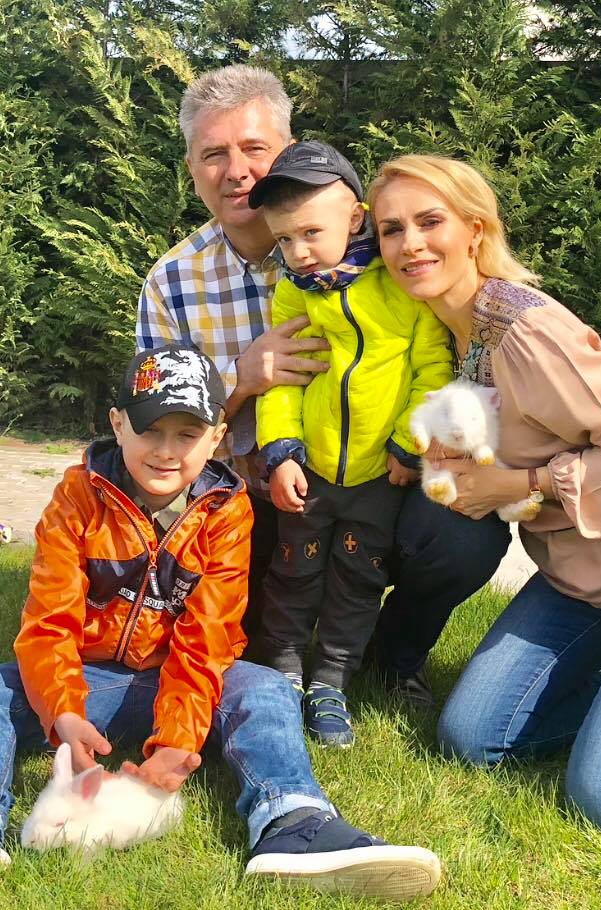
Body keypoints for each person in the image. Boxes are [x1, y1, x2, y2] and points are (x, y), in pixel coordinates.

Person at [0, 344, 441, 898]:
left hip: (187, 687)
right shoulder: (76, 497)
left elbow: (207, 640)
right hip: (90, 680)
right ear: (117, 424)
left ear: (217, 438)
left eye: (187, 434)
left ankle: (293, 822)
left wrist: (176, 742)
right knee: (3, 686)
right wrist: (64, 714)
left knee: (264, 687)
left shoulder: (227, 511)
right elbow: (49, 625)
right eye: (149, 430)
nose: (166, 452)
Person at [136, 64, 511, 705]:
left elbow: (462, 332)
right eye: (213, 154)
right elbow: (151, 427)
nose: (237, 171)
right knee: (241, 632)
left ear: (289, 152)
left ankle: (394, 652)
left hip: (376, 474)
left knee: (460, 534)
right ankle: (278, 647)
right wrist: (240, 383)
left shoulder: (381, 256)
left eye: (254, 148)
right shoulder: (172, 282)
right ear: (192, 169)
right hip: (248, 495)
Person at [367, 153, 601, 833]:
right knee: (473, 738)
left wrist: (524, 483)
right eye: (391, 229)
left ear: (475, 230)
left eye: (430, 221)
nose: (410, 244)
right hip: (579, 578)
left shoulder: (526, 328)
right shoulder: (452, 333)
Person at [247, 140, 452, 745]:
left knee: (356, 581)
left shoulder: (399, 288)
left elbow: (433, 370)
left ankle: (332, 678)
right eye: (284, 240)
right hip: (309, 471)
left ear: (356, 219)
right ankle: (284, 668)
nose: (298, 252)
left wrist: (408, 444)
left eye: (311, 233)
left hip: (377, 475)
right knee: (293, 572)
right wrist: (281, 450)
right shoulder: (294, 292)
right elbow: (281, 384)